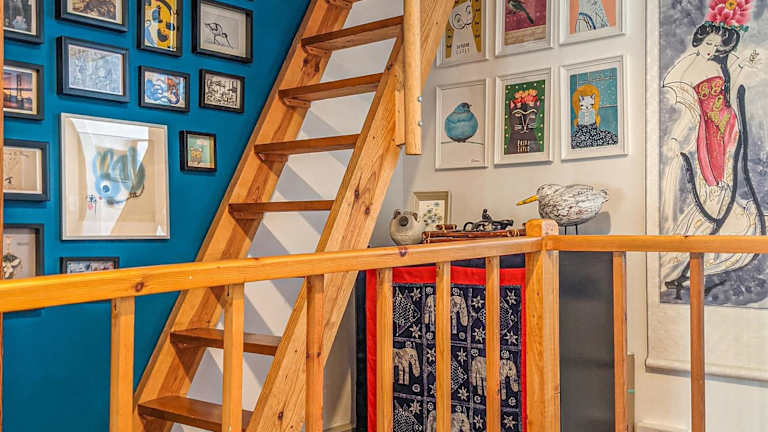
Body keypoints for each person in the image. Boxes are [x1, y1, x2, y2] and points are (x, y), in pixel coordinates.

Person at [661, 3, 765, 299]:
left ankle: (721, 245)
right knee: (715, 186)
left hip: (728, 125)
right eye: (708, 43)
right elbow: (688, 112)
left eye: (716, 46)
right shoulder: (688, 67)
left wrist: (748, 61)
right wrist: (675, 138)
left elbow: (739, 75)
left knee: (730, 184)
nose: (711, 49)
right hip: (709, 131)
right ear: (700, 41)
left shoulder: (722, 63)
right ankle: (691, 259)